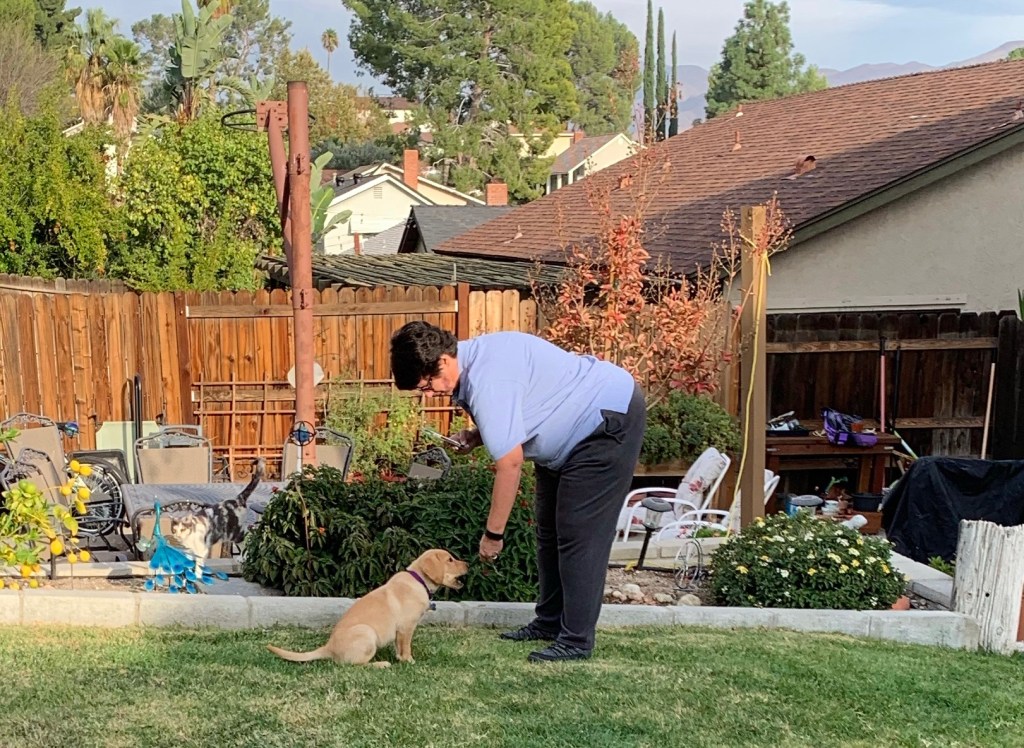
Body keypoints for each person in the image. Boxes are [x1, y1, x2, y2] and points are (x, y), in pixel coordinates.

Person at [390, 321, 645, 662]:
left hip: (604, 422)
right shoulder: (474, 361)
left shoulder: (488, 381)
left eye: (427, 384)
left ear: (443, 361)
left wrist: (493, 535)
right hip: (569, 435)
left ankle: (576, 640)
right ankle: (549, 622)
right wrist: (478, 436)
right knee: (549, 530)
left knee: (579, 535)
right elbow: (524, 408)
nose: (429, 393)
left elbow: (510, 464)